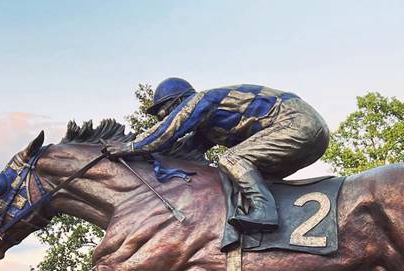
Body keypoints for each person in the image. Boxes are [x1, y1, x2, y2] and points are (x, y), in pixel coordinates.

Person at [122, 79, 330, 234]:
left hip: (297, 123)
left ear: (178, 101)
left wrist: (131, 147)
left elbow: (167, 132)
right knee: (243, 181)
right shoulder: (209, 126)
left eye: (163, 112)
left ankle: (265, 212)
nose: (164, 117)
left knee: (231, 159)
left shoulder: (201, 100)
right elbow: (183, 153)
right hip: (309, 132)